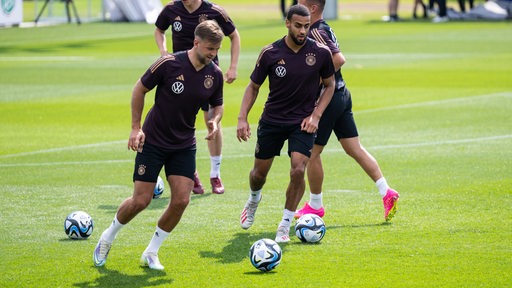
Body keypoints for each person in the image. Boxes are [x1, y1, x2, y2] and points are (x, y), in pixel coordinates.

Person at [93, 20, 225, 270]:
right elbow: (139, 89)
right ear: (196, 42)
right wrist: (135, 128)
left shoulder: (214, 74)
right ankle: (107, 237)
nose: (213, 54)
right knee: (140, 201)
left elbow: (217, 104)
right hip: (153, 140)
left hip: (184, 144)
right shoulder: (169, 63)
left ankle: (151, 252)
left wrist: (215, 122)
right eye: (210, 49)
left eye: (217, 50)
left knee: (181, 201)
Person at [237, 4, 335, 243]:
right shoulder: (270, 53)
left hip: (302, 123)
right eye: (299, 26)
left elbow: (330, 85)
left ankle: (285, 223)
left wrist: (316, 116)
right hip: (272, 120)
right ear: (288, 24)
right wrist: (242, 118)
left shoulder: (320, 53)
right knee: (259, 174)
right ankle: (253, 199)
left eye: (307, 26)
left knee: (298, 169)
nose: (303, 31)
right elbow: (253, 87)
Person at [295, 0, 400, 222]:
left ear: (312, 8)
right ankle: (387, 192)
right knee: (354, 148)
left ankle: (315, 206)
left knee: (312, 153)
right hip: (342, 94)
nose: (296, 3)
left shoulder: (316, 30)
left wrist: (312, 78)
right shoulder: (322, 27)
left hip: (330, 97)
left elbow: (339, 58)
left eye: (300, 1)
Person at [154, 0, 241, 194]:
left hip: (208, 76)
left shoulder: (214, 11)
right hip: (179, 74)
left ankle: (215, 173)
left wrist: (233, 66)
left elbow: (234, 35)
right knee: (180, 122)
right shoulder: (171, 9)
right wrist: (163, 51)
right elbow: (159, 30)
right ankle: (191, 172)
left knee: (212, 121)